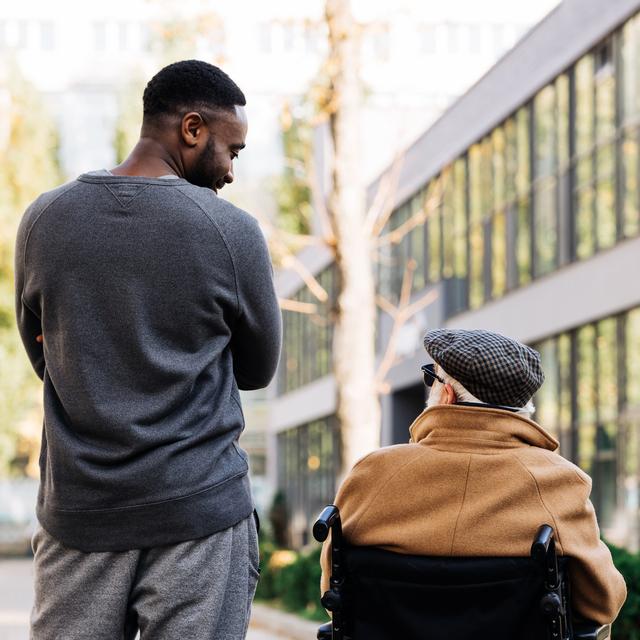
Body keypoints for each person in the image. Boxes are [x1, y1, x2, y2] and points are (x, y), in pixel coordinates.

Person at [14, 59, 282, 639]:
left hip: (80, 514)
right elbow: (258, 370)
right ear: (192, 128)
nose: (232, 172)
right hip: (199, 513)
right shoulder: (231, 231)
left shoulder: (43, 220)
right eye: (232, 151)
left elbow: (45, 357)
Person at [321, 328, 626, 626]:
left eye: (431, 378)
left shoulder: (372, 475)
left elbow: (332, 593)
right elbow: (601, 604)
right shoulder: (559, 482)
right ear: (522, 407)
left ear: (447, 395)